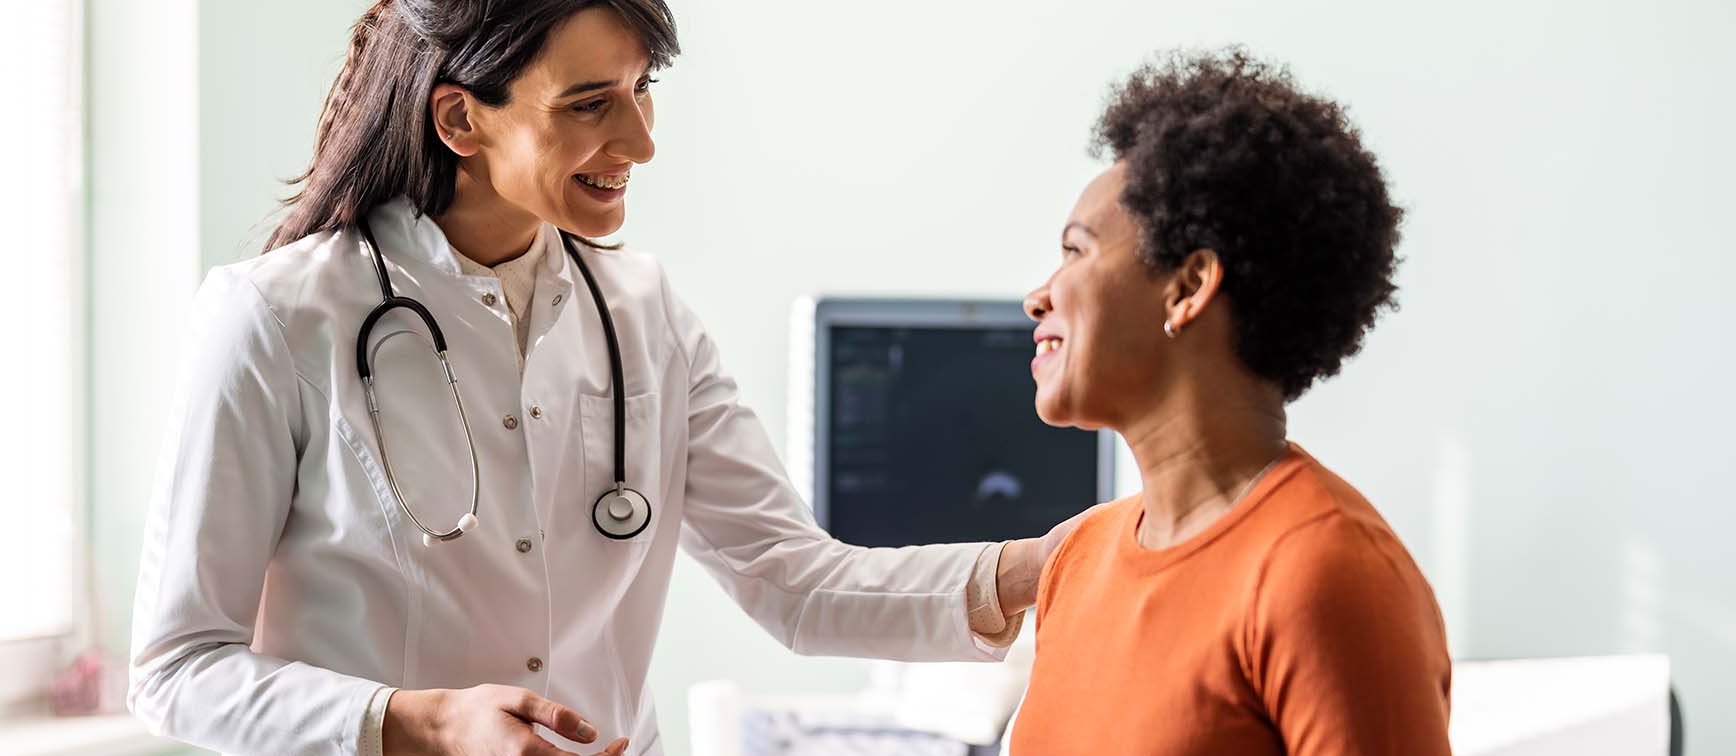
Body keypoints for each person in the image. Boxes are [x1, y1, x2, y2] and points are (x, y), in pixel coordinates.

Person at [125, 2, 1070, 755]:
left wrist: (1057, 564)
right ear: (460, 116)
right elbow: (178, 668)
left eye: (641, 89)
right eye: (589, 104)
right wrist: (418, 724)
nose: (641, 141)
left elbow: (796, 583)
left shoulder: (644, 312)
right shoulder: (278, 317)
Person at [1008, 48, 1452, 755]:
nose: (1038, 296)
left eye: (1076, 251)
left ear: (1187, 288)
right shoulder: (1078, 562)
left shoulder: (1329, 573)